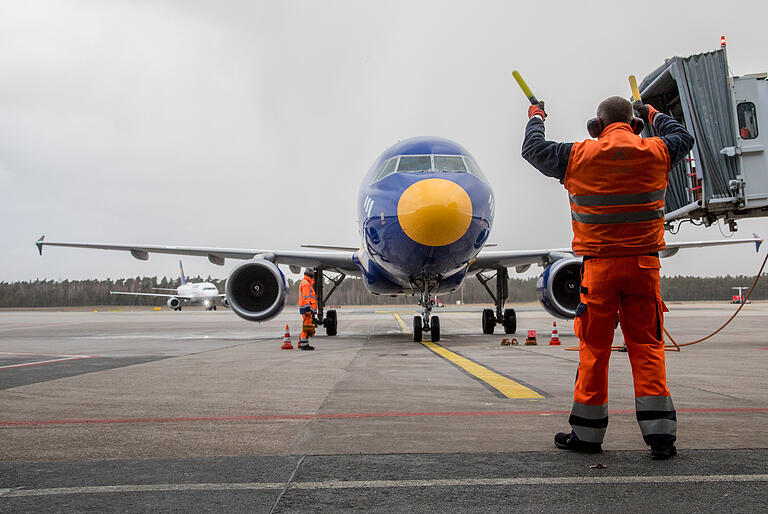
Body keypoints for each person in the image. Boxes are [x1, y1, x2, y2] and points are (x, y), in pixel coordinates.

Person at [521, 96, 694, 460]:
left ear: (595, 127)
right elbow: (683, 136)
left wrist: (536, 115)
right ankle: (661, 436)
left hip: (598, 270)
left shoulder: (577, 155)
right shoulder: (657, 149)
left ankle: (587, 435)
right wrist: (650, 112)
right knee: (647, 348)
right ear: (635, 126)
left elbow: (532, 148)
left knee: (594, 351)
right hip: (644, 269)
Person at [297, 268, 318, 351]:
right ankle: (304, 345)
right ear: (310, 274)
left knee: (306, 327)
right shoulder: (306, 284)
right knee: (306, 327)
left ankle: (303, 343)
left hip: (306, 308)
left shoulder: (305, 283)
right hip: (307, 309)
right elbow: (306, 297)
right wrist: (308, 309)